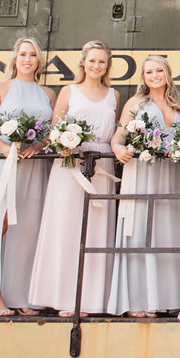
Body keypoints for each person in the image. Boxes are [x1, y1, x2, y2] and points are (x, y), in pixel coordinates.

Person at [25, 41, 121, 316]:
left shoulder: (113, 95)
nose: (96, 66)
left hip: (101, 162)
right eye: (92, 61)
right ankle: (64, 298)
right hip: (69, 165)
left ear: (107, 66)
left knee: (96, 230)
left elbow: (115, 133)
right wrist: (63, 145)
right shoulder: (69, 91)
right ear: (83, 63)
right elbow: (55, 131)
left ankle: (92, 300)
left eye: (101, 62)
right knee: (66, 227)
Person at [0, 37, 55, 315]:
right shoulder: (0, 88)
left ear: (39, 61)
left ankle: (21, 296)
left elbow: (49, 132)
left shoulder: (49, 94)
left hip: (33, 165)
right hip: (5, 165)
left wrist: (39, 147)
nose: (27, 60)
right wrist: (5, 148)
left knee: (28, 228)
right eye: (23, 54)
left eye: (32, 55)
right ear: (15, 59)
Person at [108, 54, 180, 317]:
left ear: (167, 74)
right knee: (140, 228)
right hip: (141, 171)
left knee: (165, 230)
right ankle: (137, 301)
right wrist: (119, 151)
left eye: (158, 71)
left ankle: (165, 298)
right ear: (143, 77)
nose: (154, 76)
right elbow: (118, 138)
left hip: (168, 176)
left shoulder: (178, 104)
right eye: (149, 72)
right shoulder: (136, 102)